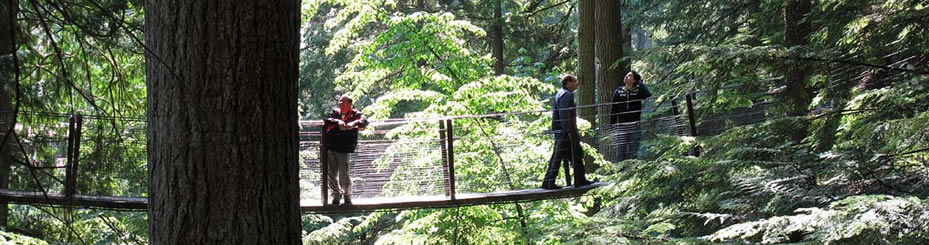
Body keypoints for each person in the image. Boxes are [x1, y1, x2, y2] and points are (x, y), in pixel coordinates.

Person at [543, 75, 596, 190]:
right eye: (575, 81)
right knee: (563, 156)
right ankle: (549, 182)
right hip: (565, 132)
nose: (577, 83)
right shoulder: (566, 95)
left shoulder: (561, 93)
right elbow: (564, 114)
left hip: (562, 131)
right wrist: (569, 131)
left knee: (573, 155)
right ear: (568, 82)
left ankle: (579, 179)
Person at [323, 95, 368, 206]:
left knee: (344, 173)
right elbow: (326, 121)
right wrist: (337, 122)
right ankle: (336, 195)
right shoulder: (335, 113)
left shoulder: (356, 114)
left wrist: (354, 123)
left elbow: (364, 122)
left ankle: (347, 196)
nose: (341, 103)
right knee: (331, 173)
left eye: (344, 102)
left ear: (350, 104)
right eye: (340, 101)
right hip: (331, 146)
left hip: (345, 148)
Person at [609, 71, 652, 161]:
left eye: (630, 76)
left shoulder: (638, 91)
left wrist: (640, 83)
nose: (626, 77)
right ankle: (620, 173)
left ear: (634, 80)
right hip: (621, 127)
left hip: (635, 126)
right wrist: (612, 126)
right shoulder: (618, 91)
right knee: (620, 153)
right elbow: (614, 109)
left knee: (633, 153)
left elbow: (648, 94)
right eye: (626, 75)